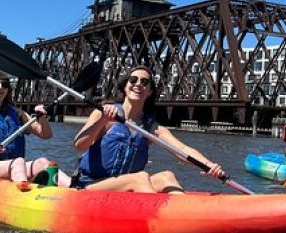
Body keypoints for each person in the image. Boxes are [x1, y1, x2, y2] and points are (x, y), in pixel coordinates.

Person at [72, 65, 225, 193]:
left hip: (124, 190)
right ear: (125, 87)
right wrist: (103, 120)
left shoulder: (150, 127)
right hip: (90, 186)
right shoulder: (104, 113)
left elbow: (182, 150)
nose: (138, 84)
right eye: (133, 80)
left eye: (145, 82)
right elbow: (79, 145)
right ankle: (161, 221)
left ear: (150, 91)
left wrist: (209, 165)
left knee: (167, 176)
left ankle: (186, 218)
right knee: (140, 178)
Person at [0, 71, 71, 191]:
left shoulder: (18, 114)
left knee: (43, 162)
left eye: (4, 85)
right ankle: (25, 193)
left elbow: (46, 135)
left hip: (14, 166)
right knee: (18, 162)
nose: (0, 87)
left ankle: (75, 188)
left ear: (8, 90)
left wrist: (42, 117)